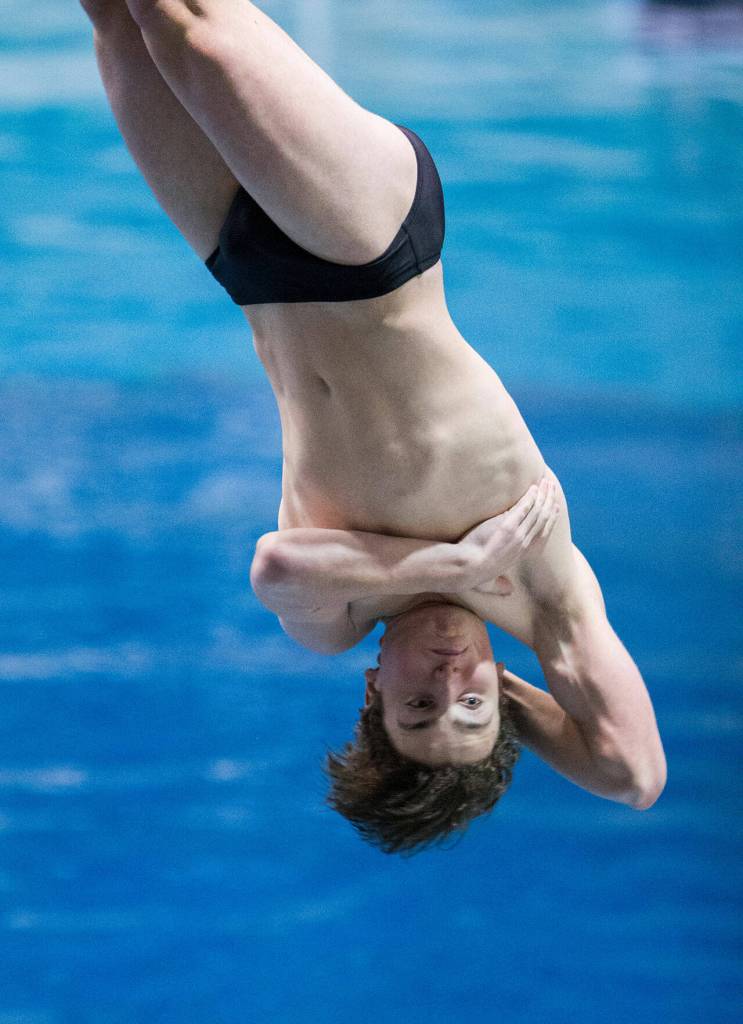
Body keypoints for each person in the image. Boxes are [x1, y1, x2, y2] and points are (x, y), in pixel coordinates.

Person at [80, 0, 667, 853]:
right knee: (185, 20)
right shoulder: (544, 598)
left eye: (418, 705)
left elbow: (275, 565)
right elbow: (634, 778)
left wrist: (451, 565)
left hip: (245, 265)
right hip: (370, 248)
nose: (447, 681)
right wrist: (506, 693)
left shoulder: (335, 615)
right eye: (469, 706)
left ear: (373, 689)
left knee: (117, 20)